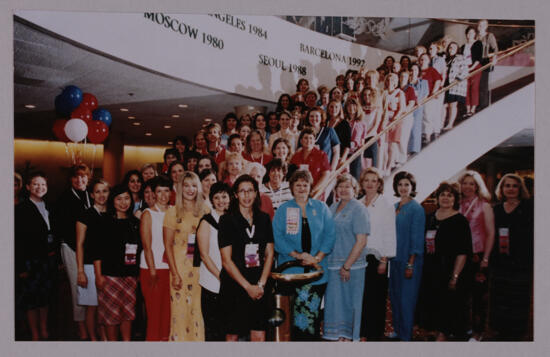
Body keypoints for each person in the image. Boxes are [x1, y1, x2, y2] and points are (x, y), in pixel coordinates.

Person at [273, 170, 336, 341]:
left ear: (310, 187)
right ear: (292, 188)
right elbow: (277, 237)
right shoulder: (284, 209)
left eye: (305, 184)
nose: (302, 188)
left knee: (311, 317)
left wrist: (316, 258)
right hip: (290, 272)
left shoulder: (321, 207)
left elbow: (330, 235)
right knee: (290, 320)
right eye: (298, 185)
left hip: (316, 272)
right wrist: (298, 255)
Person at [218, 175, 275, 341]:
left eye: (250, 190)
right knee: (233, 336)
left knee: (259, 333)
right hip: (235, 284)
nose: (246, 195)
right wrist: (247, 287)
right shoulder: (227, 220)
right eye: (242, 191)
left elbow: (269, 253)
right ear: (235, 195)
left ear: (256, 193)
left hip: (259, 285)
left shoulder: (264, 219)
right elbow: (226, 260)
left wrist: (261, 285)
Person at [420, 182, 472, 341]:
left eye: (450, 195)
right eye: (442, 194)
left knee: (448, 305)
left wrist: (455, 276)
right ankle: (434, 331)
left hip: (449, 270)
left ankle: (443, 333)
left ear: (455, 199)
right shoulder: (429, 218)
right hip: (430, 269)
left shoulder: (460, 221)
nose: (445, 198)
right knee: (432, 303)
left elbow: (463, 252)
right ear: (437, 197)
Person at [163, 171, 208, 341]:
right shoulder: (172, 212)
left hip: (201, 269)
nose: (191, 189)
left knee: (198, 309)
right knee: (180, 311)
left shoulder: (206, 210)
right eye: (187, 185)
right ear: (180, 188)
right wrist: (174, 273)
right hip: (179, 269)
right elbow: (167, 246)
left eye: (194, 185)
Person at [323, 174, 369, 341]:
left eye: (347, 186)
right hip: (333, 265)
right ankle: (338, 338)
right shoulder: (333, 207)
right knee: (335, 306)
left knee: (350, 305)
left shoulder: (359, 208)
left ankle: (349, 340)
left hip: (352, 267)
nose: (343, 189)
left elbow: (361, 241)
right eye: (340, 186)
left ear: (355, 190)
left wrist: (347, 266)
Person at [93, 184, 141, 341]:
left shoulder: (134, 222)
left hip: (130, 276)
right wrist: (98, 275)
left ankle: (126, 344)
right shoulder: (104, 221)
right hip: (110, 276)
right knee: (111, 316)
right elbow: (97, 251)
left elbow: (138, 250)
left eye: (127, 198)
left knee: (128, 314)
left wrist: (137, 274)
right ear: (112, 201)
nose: (123, 202)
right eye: (119, 199)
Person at [490, 173, 533, 340]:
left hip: (522, 261)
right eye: (507, 185)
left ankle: (516, 333)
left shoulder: (529, 207)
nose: (511, 189)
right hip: (500, 260)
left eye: (514, 186)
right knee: (501, 296)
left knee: (519, 297)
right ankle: (501, 331)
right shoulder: (497, 209)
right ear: (502, 189)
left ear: (520, 189)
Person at [15, 172, 57, 341]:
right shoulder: (21, 209)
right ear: (28, 187)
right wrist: (21, 267)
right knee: (31, 299)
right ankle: (35, 333)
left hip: (48, 260)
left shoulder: (50, 206)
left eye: (43, 185)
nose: (40, 188)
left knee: (45, 297)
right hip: (30, 261)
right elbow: (17, 240)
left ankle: (44, 329)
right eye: (35, 184)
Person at [53, 164, 92, 340]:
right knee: (78, 288)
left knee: (90, 289)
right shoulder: (64, 198)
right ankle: (81, 328)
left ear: (88, 177)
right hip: (71, 248)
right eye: (76, 177)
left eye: (83, 176)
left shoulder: (90, 194)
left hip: (88, 250)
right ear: (70, 179)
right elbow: (62, 229)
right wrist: (80, 250)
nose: (80, 180)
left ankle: (89, 326)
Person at [358, 167, 396, 341]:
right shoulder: (357, 203)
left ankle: (374, 336)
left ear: (379, 183)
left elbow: (389, 233)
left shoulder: (385, 204)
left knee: (376, 299)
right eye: (367, 180)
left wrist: (384, 260)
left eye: (374, 180)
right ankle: (362, 334)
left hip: (377, 258)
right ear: (362, 183)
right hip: (358, 258)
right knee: (361, 298)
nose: (370, 184)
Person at [458, 170, 495, 341]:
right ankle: (463, 328)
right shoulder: (456, 204)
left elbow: (490, 233)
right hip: (459, 256)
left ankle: (478, 332)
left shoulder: (484, 205)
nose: (467, 187)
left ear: (477, 186)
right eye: (464, 183)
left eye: (471, 183)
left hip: (477, 256)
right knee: (461, 295)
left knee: (479, 297)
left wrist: (486, 258)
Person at [389, 171, 425, 341]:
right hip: (394, 260)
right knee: (395, 297)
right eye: (400, 184)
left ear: (412, 187)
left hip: (409, 261)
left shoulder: (416, 208)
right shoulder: (395, 207)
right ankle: (397, 329)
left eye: (407, 185)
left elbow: (417, 239)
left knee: (406, 300)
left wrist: (410, 263)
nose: (403, 188)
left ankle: (406, 336)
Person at [75, 179, 110, 341]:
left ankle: (103, 338)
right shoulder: (86, 214)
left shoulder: (112, 213)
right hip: (89, 266)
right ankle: (93, 340)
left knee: (105, 306)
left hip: (108, 266)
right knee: (92, 306)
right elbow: (79, 244)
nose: (101, 195)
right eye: (97, 191)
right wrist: (80, 271)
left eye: (105, 191)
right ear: (91, 194)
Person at [197, 182, 232, 341]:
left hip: (233, 281)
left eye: (224, 196)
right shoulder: (206, 222)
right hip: (212, 282)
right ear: (211, 200)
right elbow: (204, 255)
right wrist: (221, 277)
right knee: (213, 331)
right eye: (216, 197)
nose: (221, 201)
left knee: (230, 329)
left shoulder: (235, 220)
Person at [139, 176, 172, 341]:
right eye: (159, 191)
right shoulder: (148, 213)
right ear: (154, 193)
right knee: (154, 315)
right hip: (152, 269)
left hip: (171, 269)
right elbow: (146, 246)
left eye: (166, 190)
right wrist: (152, 270)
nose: (163, 194)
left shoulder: (174, 211)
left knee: (168, 315)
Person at [290, 128, 332, 199]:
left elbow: (326, 174)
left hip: (316, 194)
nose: (308, 141)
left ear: (314, 140)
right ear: (301, 141)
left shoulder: (321, 155)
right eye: (306, 138)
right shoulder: (296, 156)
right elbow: (291, 175)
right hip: (299, 194)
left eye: (311, 138)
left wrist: (313, 190)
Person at [305, 107, 341, 173]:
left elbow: (336, 152)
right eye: (311, 116)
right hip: (308, 171)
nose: (314, 119)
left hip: (325, 170)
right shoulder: (304, 133)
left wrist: (332, 169)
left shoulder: (329, 131)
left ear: (321, 118)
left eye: (317, 116)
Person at [443, 42, 469, 131]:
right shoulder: (446, 59)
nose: (451, 49)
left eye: (453, 48)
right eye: (450, 47)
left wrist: (456, 80)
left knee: (452, 105)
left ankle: (450, 124)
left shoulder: (460, 58)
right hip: (446, 84)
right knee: (445, 105)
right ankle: (442, 123)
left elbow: (464, 70)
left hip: (455, 85)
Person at [419, 53, 443, 146]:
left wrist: (433, 92)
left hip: (428, 97)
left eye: (424, 59)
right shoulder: (418, 71)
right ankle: (422, 134)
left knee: (427, 116)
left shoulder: (431, 70)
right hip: (419, 99)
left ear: (429, 61)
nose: (422, 61)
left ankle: (427, 135)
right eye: (421, 59)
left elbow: (438, 80)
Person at [407, 64, 429, 156]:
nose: (413, 72)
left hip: (418, 107)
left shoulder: (423, 82)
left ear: (418, 71)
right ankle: (407, 149)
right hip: (409, 108)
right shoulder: (407, 83)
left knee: (416, 128)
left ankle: (415, 149)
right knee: (408, 128)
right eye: (411, 70)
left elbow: (425, 94)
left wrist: (419, 102)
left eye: (415, 70)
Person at [461, 26, 483, 117]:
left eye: (472, 33)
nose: (470, 35)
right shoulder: (463, 46)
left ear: (475, 34)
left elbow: (478, 58)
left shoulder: (478, 43)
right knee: (466, 88)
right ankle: (468, 109)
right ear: (466, 35)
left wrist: (471, 68)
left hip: (475, 66)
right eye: (468, 33)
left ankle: (473, 109)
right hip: (466, 67)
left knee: (474, 87)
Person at [477, 19, 498, 111]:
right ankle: (476, 104)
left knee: (483, 84)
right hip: (475, 62)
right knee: (476, 84)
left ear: (486, 26)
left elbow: (495, 48)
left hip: (484, 61)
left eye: (482, 25)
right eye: (479, 25)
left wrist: (494, 58)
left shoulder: (489, 36)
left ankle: (483, 105)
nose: (480, 27)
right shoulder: (476, 36)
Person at [343, 98, 367, 179]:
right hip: (345, 152)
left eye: (353, 105)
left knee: (355, 176)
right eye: (348, 106)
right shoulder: (343, 122)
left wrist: (361, 152)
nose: (351, 108)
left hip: (356, 152)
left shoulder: (362, 123)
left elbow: (362, 140)